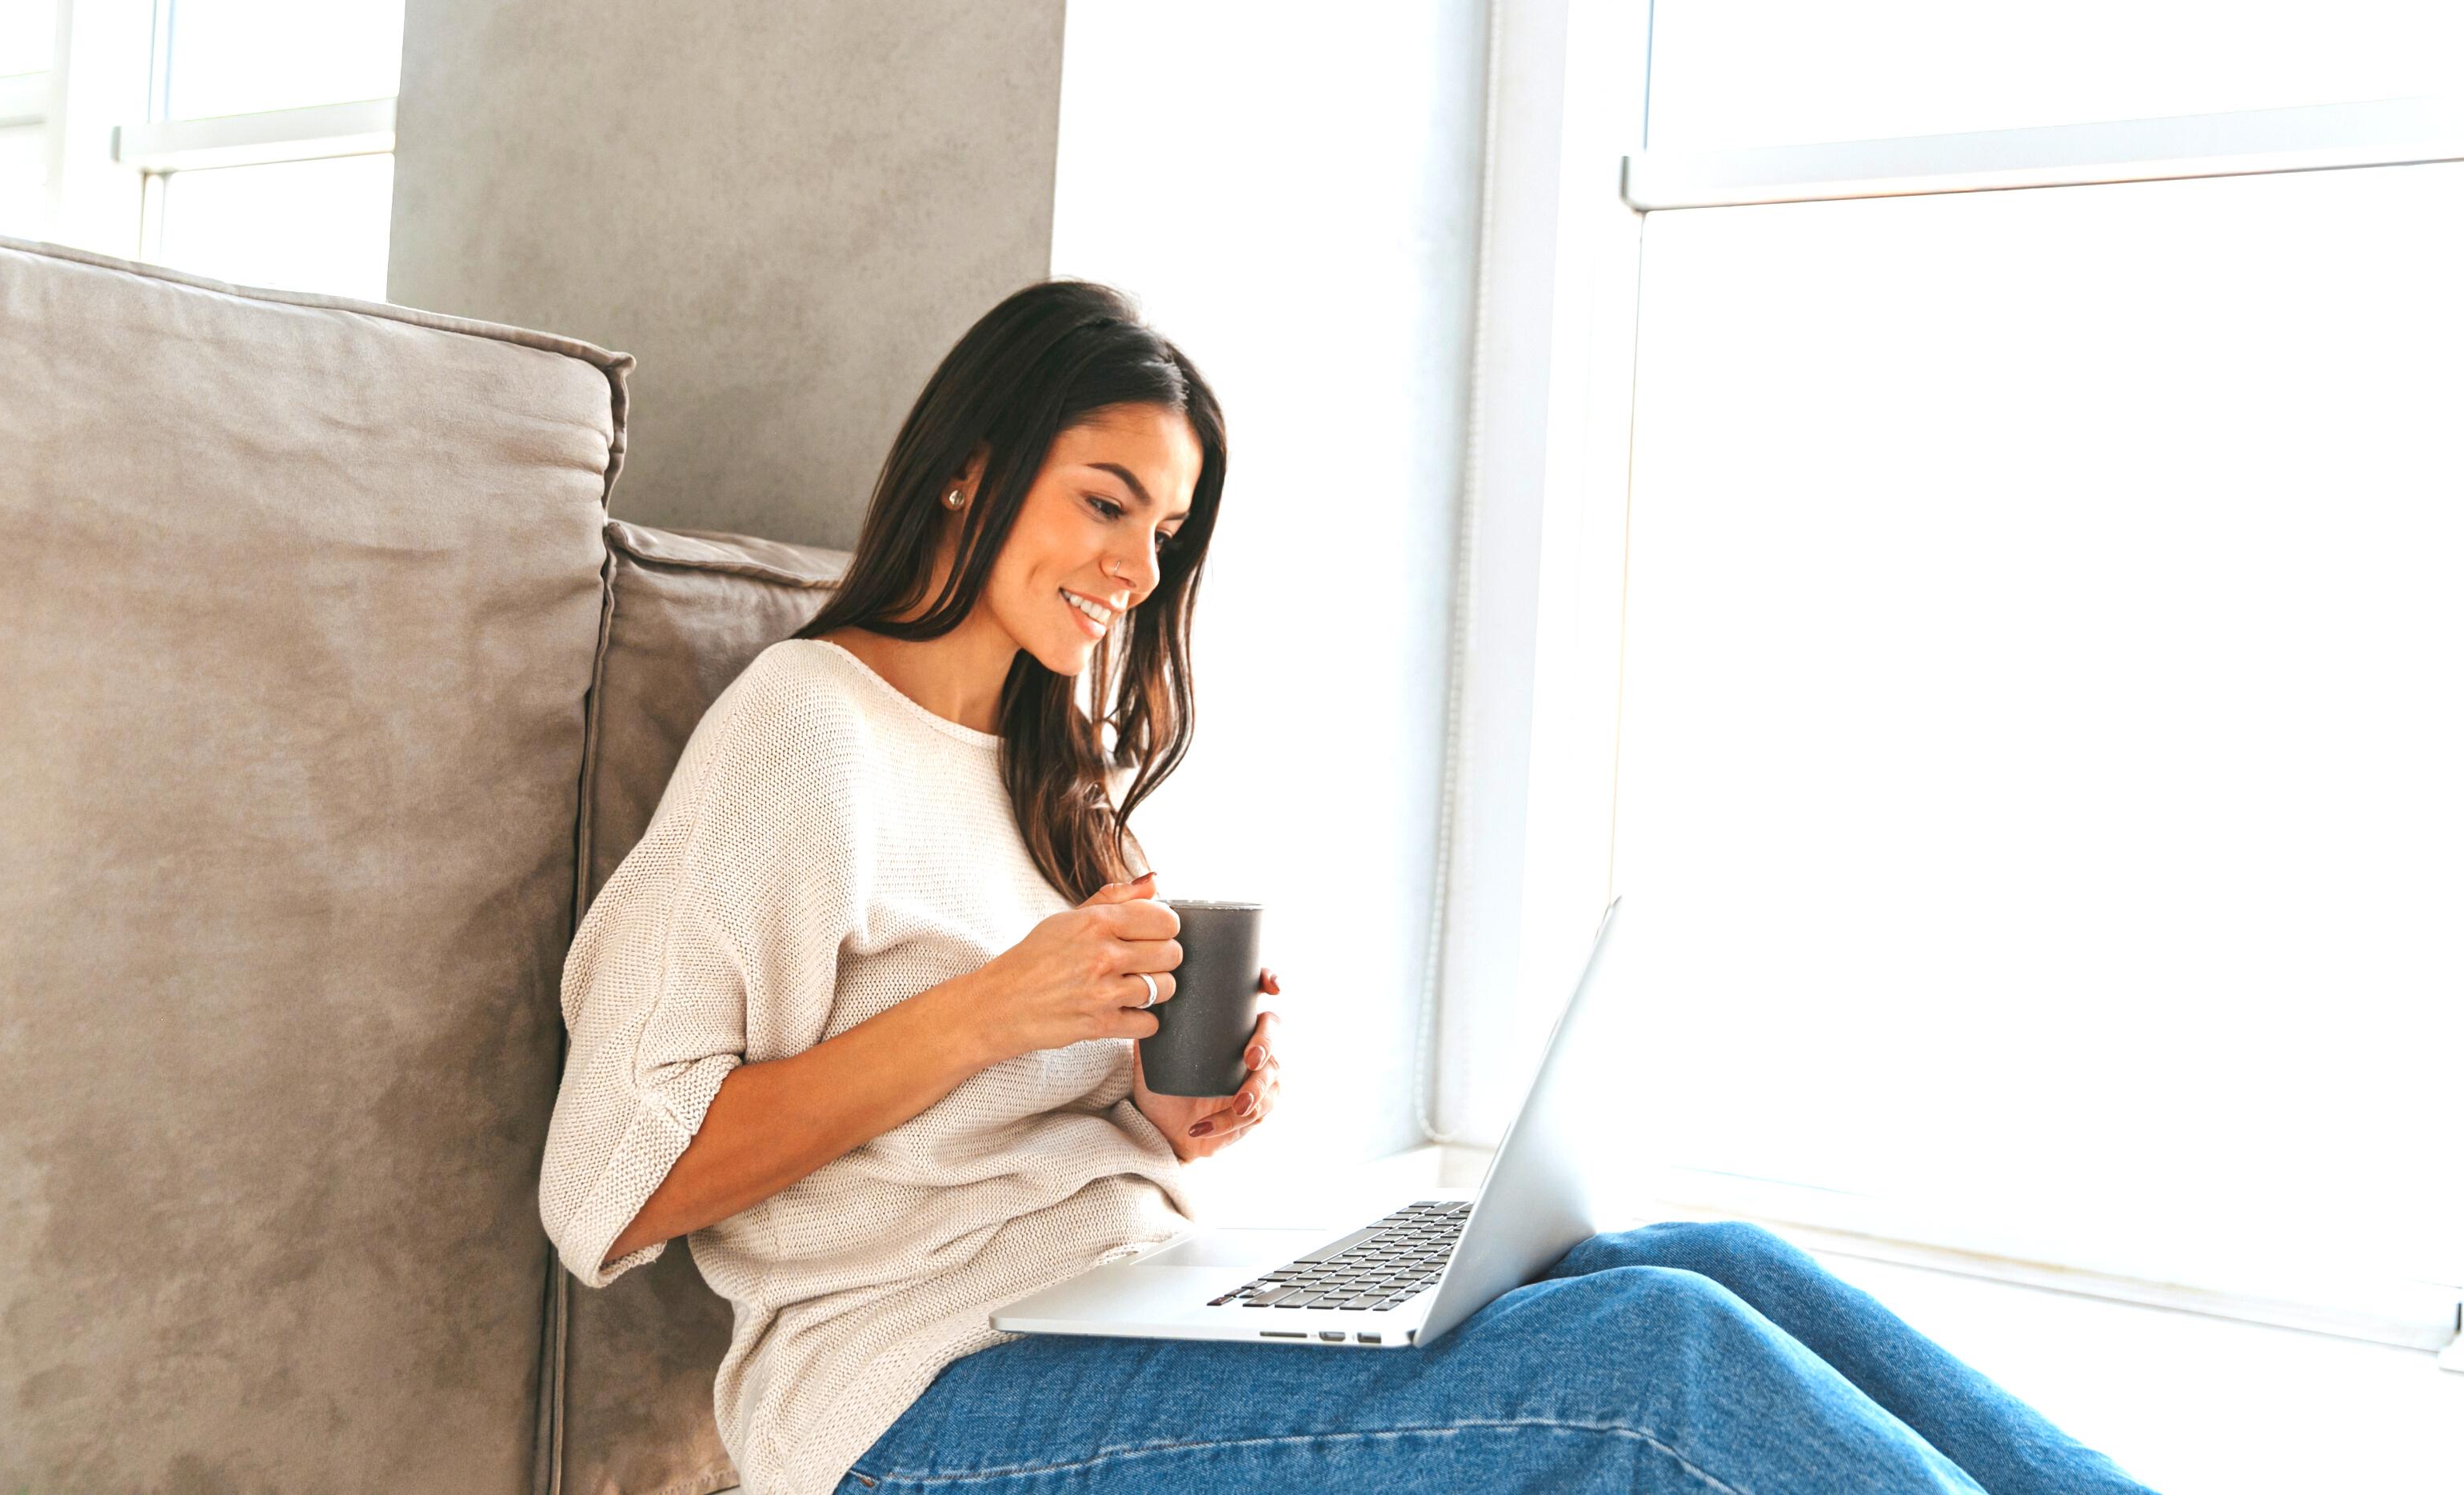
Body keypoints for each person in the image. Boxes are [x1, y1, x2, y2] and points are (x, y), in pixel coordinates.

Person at [538, 280, 2158, 1495]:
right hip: (917, 1403)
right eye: (1105, 502)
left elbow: (1041, 1120)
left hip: (1130, 1300)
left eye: (1166, 531)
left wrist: (1170, 1108)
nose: (1136, 569)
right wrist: (990, 1014)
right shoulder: (805, 733)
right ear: (971, 468)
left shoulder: (1054, 767)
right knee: (1654, 1361)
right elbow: (612, 1185)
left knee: (1716, 1263)